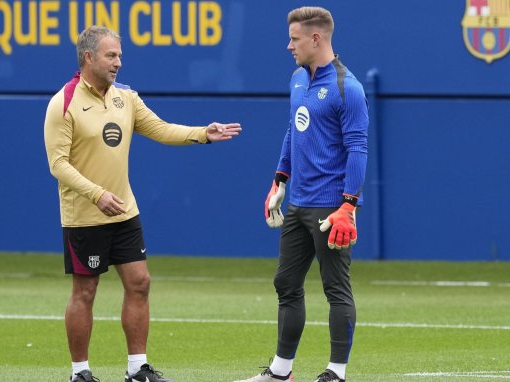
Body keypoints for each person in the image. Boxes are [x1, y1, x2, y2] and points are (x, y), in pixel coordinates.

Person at [44, 25, 241, 382]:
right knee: (85, 291)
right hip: (85, 216)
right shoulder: (64, 102)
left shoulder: (125, 97)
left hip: (124, 211)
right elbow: (58, 164)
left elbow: (161, 129)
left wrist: (202, 134)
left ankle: (137, 369)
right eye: (111, 55)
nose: (119, 62)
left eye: (119, 55)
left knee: (140, 282)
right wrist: (96, 194)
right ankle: (80, 373)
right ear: (89, 57)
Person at [235, 7, 368, 382]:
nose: (288, 45)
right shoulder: (297, 78)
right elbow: (293, 131)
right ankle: (281, 373)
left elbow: (358, 148)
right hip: (298, 204)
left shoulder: (348, 87)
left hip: (331, 208)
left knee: (336, 288)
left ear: (316, 39)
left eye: (294, 38)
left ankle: (336, 373)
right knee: (285, 284)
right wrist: (279, 180)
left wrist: (348, 205)